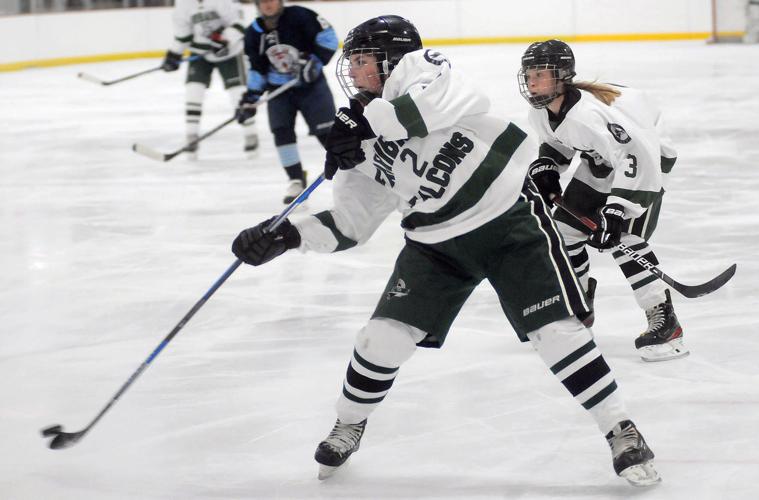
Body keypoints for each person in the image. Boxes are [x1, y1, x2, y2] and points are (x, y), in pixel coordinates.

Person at [231, 16, 661, 487]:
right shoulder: (360, 135)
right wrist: (286, 236)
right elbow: (352, 225)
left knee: (555, 333)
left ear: (391, 58)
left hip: (509, 219)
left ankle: (621, 429)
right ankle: (349, 422)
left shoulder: (427, 69)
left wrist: (360, 122)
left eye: (360, 62)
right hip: (436, 245)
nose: (352, 74)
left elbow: (417, 112)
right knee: (381, 338)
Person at [518, 39, 688, 362]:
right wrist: (548, 165)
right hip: (604, 162)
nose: (532, 82)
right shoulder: (542, 112)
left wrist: (616, 210)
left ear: (561, 76)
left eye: (540, 74)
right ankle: (577, 308)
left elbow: (638, 155)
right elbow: (560, 140)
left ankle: (666, 321)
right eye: (529, 75)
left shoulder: (590, 114)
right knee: (564, 235)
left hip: (647, 161)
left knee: (624, 237)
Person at [236, 0, 338, 203]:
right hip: (279, 90)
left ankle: (356, 172)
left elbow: (328, 38)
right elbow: (257, 68)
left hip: (312, 86)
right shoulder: (253, 33)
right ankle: (295, 179)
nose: (267, 4)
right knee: (281, 132)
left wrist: (314, 61)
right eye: (262, 1)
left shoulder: (301, 16)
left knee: (328, 134)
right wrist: (251, 98)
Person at [161, 0, 258, 160]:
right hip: (200, 53)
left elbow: (238, 23)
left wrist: (225, 39)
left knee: (238, 94)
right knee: (193, 91)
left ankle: (250, 133)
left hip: (229, 53)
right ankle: (191, 136)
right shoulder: (183, 4)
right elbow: (184, 35)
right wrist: (173, 54)